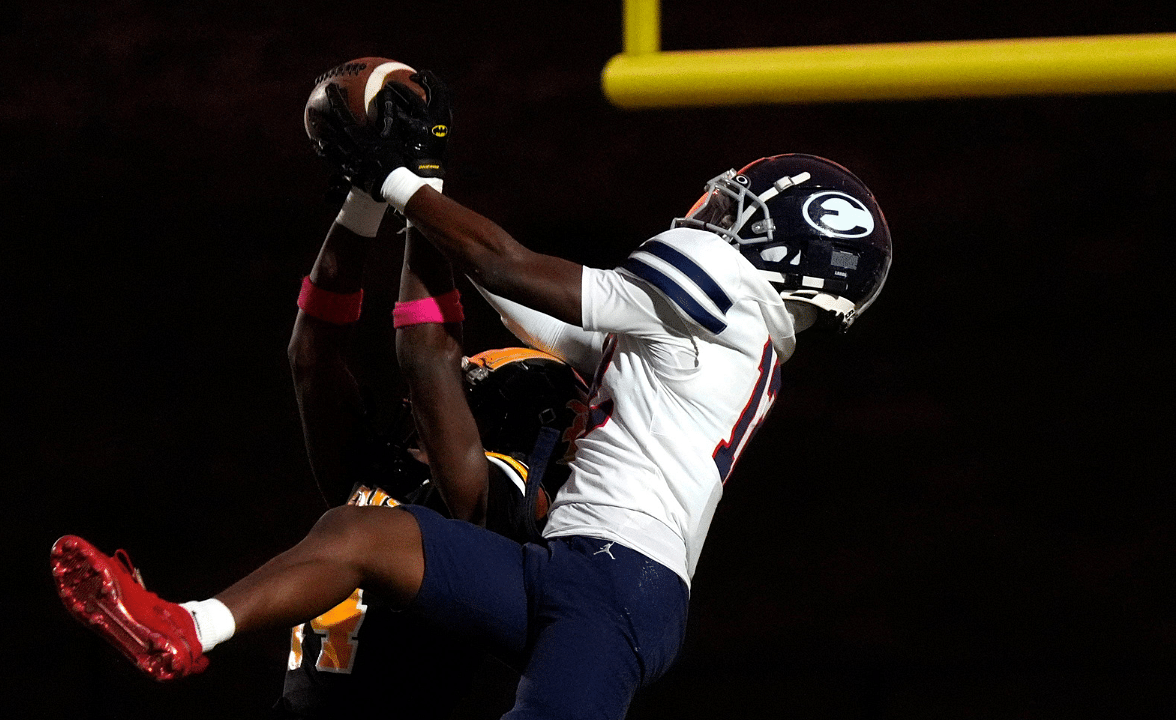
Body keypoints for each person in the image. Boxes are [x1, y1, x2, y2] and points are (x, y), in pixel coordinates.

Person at [51, 69, 892, 720]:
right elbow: (502, 296)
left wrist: (398, 182)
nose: (717, 213)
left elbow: (503, 271)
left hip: (621, 588)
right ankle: (187, 627)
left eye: (743, 209)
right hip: (563, 567)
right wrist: (418, 188)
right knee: (357, 531)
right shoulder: (690, 335)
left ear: (790, 256)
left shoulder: (729, 299)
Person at [273, 175, 582, 717]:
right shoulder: (385, 471)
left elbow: (425, 358)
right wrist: (363, 199)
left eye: (463, 389)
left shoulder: (493, 507)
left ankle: (201, 622)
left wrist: (414, 182)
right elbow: (311, 357)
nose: (426, 399)